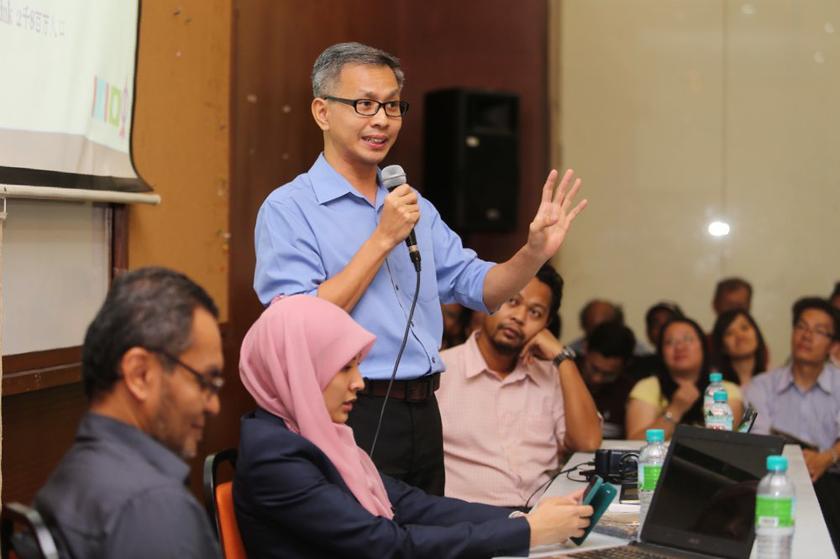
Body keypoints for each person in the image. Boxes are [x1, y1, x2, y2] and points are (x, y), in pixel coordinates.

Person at [252, 42, 586, 494]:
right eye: (365, 104)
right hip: (350, 408)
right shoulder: (289, 209)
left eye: (392, 105)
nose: (382, 120)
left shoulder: (414, 207)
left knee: (427, 530)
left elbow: (481, 288)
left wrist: (533, 252)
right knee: (366, 531)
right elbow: (296, 327)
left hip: (424, 409)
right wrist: (382, 239)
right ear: (322, 112)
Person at [234, 295, 593, 558]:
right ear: (298, 369)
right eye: (345, 367)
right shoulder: (275, 457)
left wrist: (527, 517)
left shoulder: (313, 435)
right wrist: (526, 533)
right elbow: (386, 545)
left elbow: (409, 504)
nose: (359, 383)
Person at [35, 267, 224, 558]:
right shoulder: (153, 509)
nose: (214, 405)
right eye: (204, 382)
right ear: (140, 374)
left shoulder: (74, 472)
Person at [436, 264, 601, 508]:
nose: (519, 317)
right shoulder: (441, 371)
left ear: (546, 324)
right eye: (512, 301)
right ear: (488, 300)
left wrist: (563, 357)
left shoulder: (551, 375)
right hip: (470, 519)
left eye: (535, 312)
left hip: (541, 515)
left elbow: (587, 442)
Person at [744, 297, 840, 553]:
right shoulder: (761, 386)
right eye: (801, 326)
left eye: (819, 331)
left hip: (830, 483)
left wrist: (827, 457)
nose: (807, 336)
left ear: (832, 344)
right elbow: (757, 441)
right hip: (774, 481)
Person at [625, 317, 744, 440]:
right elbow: (635, 443)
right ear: (661, 352)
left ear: (703, 346)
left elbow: (724, 441)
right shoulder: (647, 387)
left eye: (688, 339)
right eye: (670, 342)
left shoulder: (725, 389)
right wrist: (675, 410)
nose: (679, 347)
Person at [578, 321, 637, 439]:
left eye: (609, 374)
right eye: (594, 368)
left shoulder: (630, 392)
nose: (597, 379)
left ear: (625, 366)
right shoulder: (562, 376)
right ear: (585, 349)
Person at [626, 300, 684, 381]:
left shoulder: (692, 363)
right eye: (656, 324)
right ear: (648, 332)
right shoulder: (638, 368)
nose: (663, 329)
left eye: (668, 323)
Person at [710, 309, 768, 387]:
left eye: (744, 328)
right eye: (729, 333)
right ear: (722, 346)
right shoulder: (715, 384)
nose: (740, 336)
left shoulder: (773, 380)